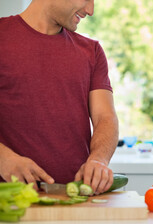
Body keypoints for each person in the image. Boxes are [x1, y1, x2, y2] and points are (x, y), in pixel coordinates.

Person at [0, 0, 119, 195]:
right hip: (8, 202)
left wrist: (99, 159)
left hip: (76, 199)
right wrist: (3, 158)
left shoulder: (92, 51)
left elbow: (105, 118)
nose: (90, 10)